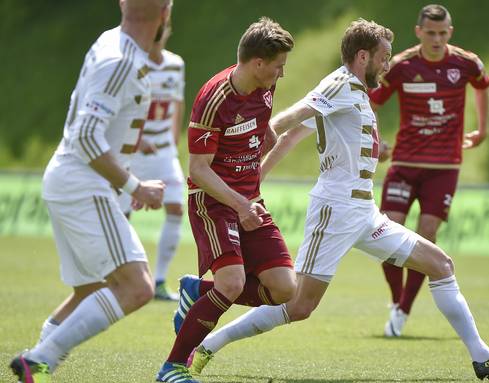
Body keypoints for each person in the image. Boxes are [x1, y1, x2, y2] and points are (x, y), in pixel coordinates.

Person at [183, 19, 489, 381]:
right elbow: (292, 121)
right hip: (335, 210)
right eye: (384, 57)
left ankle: (482, 357)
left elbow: (311, 135)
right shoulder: (339, 84)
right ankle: (206, 345)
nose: (388, 65)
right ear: (363, 56)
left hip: (364, 212)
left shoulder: (356, 91)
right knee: (298, 305)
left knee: (441, 264)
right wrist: (258, 156)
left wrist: (373, 151)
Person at [9, 0, 171, 382]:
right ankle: (38, 361)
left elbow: (99, 124)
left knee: (91, 289)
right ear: (165, 12)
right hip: (84, 184)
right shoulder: (122, 60)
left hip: (72, 179)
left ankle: (37, 367)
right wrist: (134, 185)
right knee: (136, 288)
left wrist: (128, 162)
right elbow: (85, 134)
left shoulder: (109, 42)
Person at [155, 17, 296, 383]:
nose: (282, 74)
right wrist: (239, 203)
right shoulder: (213, 97)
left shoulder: (264, 89)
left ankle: (197, 291)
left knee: (284, 288)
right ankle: (172, 368)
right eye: (279, 66)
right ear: (258, 63)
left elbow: (261, 128)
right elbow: (199, 170)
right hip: (213, 201)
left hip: (248, 199)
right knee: (231, 283)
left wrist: (267, 137)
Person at [368, 4, 489, 337]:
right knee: (387, 234)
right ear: (419, 32)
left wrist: (482, 130)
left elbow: (483, 86)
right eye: (431, 33)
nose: (437, 39)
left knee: (427, 236)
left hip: (444, 166)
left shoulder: (465, 63)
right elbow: (372, 101)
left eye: (443, 33)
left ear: (449, 32)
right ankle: (397, 301)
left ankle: (404, 309)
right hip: (405, 164)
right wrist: (377, 140)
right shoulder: (401, 65)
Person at [118, 22, 186, 301]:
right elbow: (123, 108)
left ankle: (158, 281)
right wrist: (135, 139)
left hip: (163, 152)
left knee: (176, 208)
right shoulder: (133, 64)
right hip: (133, 151)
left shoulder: (175, 64)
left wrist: (172, 141)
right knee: (123, 215)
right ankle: (119, 277)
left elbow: (177, 103)